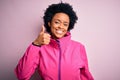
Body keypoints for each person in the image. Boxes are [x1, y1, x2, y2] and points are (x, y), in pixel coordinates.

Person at [15, 2, 94, 80]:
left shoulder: (79, 47)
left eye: (65, 24)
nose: (61, 26)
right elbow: (22, 75)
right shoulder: (41, 49)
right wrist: (35, 44)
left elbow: (85, 76)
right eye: (57, 22)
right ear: (49, 23)